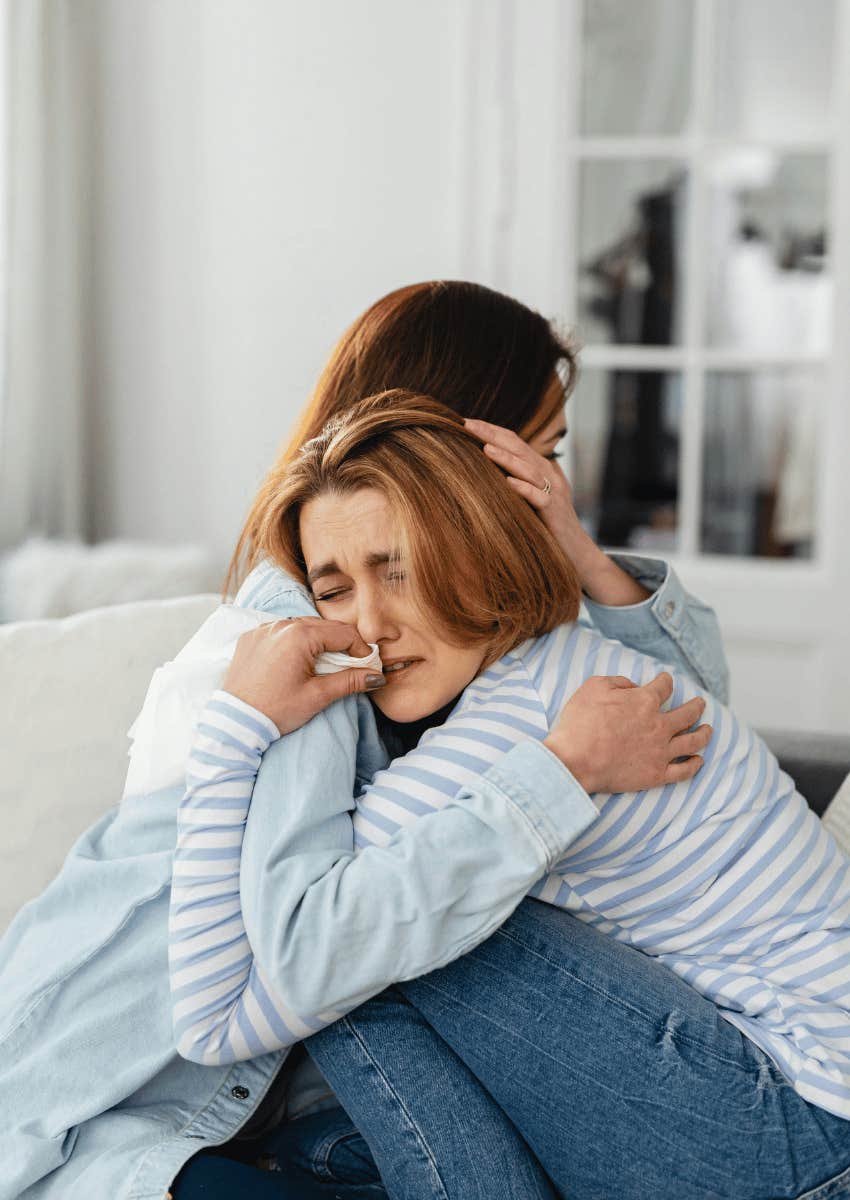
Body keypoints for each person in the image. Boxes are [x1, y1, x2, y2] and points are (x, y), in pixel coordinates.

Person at [0, 283, 727, 1200]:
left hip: (265, 1099)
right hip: (100, 1111)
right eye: (533, 450)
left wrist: (580, 550)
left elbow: (692, 722)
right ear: (459, 453)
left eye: (551, 458)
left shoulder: (445, 618)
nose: (544, 483)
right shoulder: (328, 632)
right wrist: (564, 773)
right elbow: (293, 953)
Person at [169, 392, 850, 1199]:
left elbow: (215, 1019)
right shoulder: (569, 669)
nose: (374, 624)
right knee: (405, 905)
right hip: (787, 1117)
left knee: (389, 918)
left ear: (475, 549)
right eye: (336, 588)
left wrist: (234, 728)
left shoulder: (522, 723)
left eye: (399, 567)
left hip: (797, 1134)